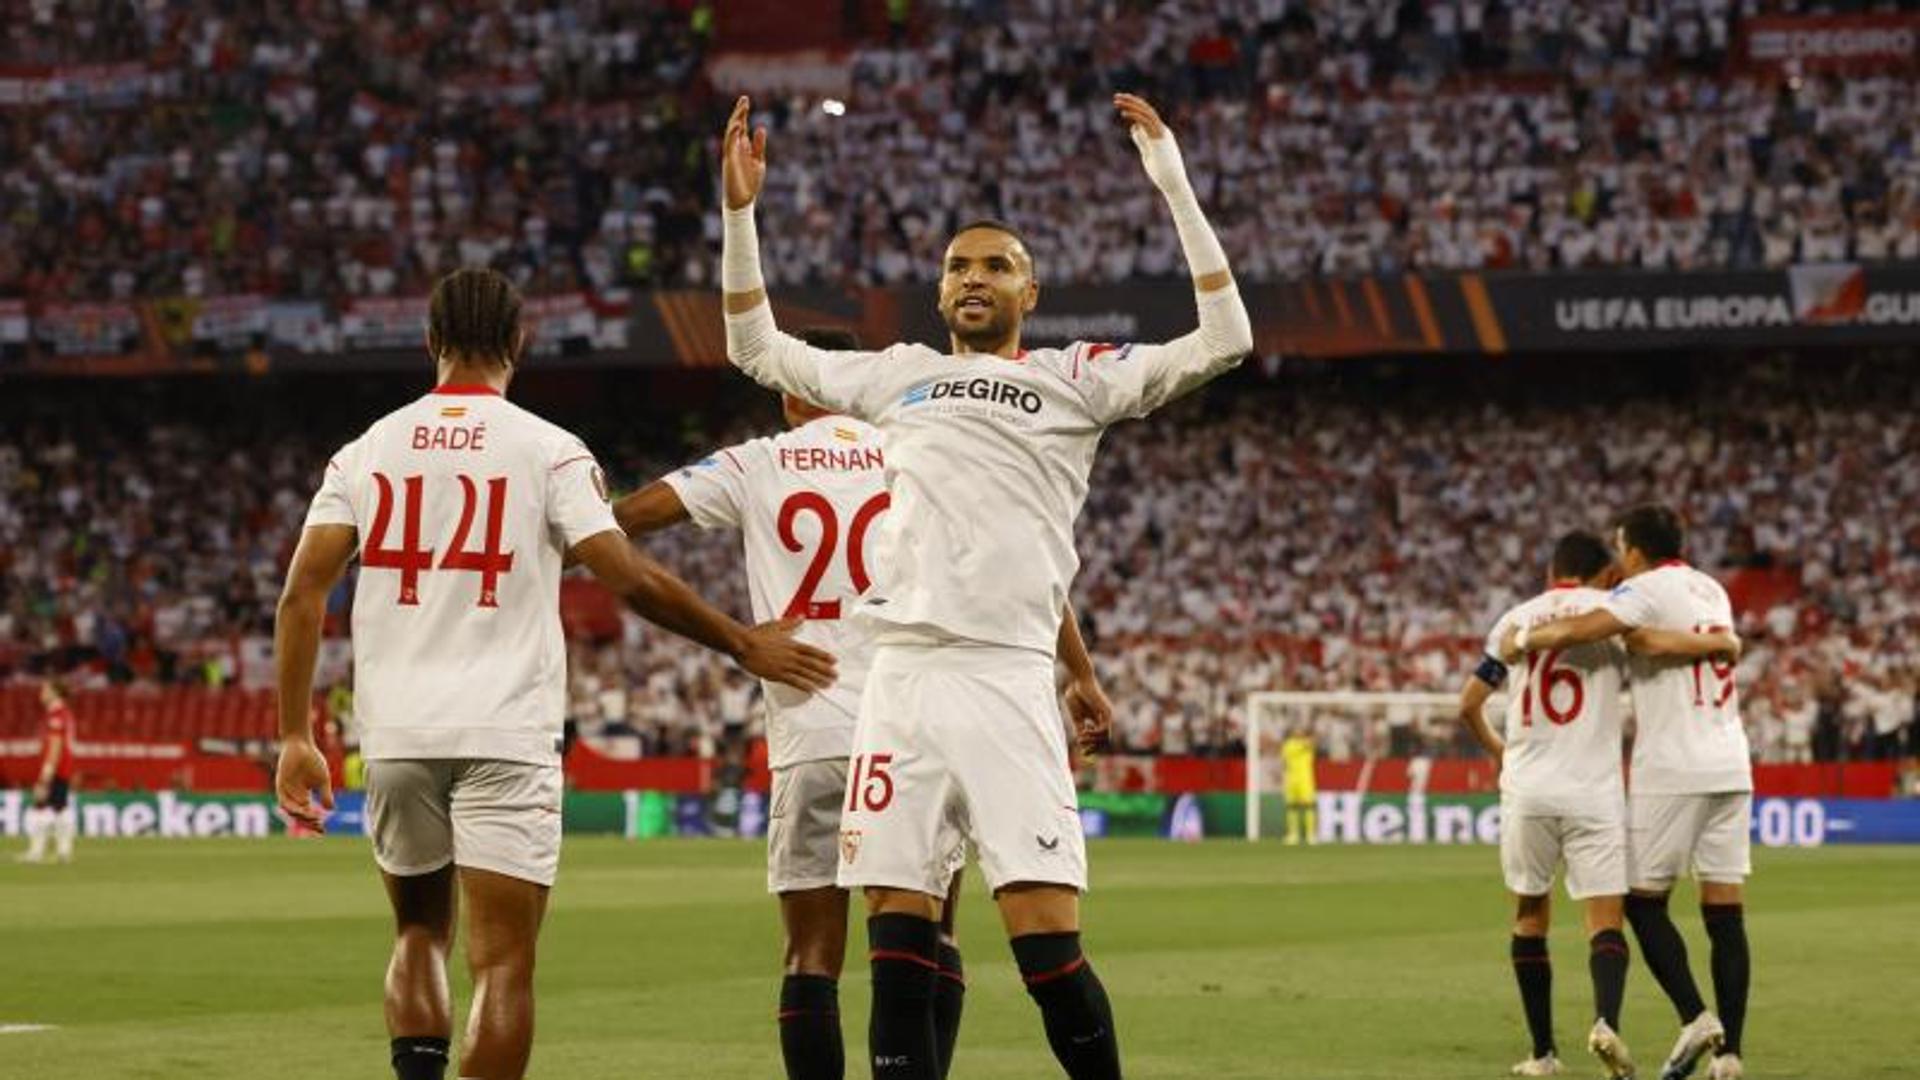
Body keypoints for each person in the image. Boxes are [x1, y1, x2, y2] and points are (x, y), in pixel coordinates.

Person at [717, 90, 1251, 1079]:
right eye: (959, 264)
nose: (975, 277)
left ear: (1030, 294)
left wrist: (1172, 182)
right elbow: (755, 349)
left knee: (1046, 945)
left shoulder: (1076, 379)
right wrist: (740, 214)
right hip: (900, 681)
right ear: (939, 289)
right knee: (898, 945)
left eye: (996, 265)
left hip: (1009, 681)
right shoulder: (896, 376)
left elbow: (1225, 338)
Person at [273, 267, 837, 1080]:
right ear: (519, 343)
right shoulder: (549, 450)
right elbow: (627, 576)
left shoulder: (366, 451)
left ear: (431, 343)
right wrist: (741, 642)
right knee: (503, 964)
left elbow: (302, 594)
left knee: (419, 935)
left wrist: (295, 734)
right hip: (506, 730)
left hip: (396, 733)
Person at [614, 326, 1111, 1079]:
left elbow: (627, 519)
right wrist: (1078, 671)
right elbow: (1024, 564)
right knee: (929, 938)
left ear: (792, 389)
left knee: (812, 955)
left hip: (811, 722)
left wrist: (734, 634)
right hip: (913, 715)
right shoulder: (920, 444)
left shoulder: (758, 461)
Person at [1463, 531, 1736, 1078]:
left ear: (1551, 571)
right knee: (1605, 920)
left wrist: (1503, 753)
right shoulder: (1615, 616)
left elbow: (1469, 704)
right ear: (1606, 573)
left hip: (1529, 787)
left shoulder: (1515, 619)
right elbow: (1660, 649)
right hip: (1595, 791)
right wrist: (1724, 643)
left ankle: (1543, 1055)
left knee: (1529, 914)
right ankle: (1606, 1021)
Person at [17, 678, 78, 864]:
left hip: (56, 768)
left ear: (55, 693)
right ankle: (64, 851)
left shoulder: (56, 715)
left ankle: (36, 852)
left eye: (45, 690)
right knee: (60, 808)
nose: (41, 693)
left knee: (39, 807)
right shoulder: (64, 713)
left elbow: (56, 745)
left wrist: (47, 771)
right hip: (64, 767)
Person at [1281, 722, 1317, 845]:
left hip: (1306, 779)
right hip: (1291, 779)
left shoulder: (1308, 744)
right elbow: (1286, 759)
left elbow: (1311, 743)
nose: (1298, 732)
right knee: (1292, 807)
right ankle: (1293, 834)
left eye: (1300, 730)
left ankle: (1310, 834)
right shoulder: (1288, 745)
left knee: (1309, 806)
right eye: (1296, 730)